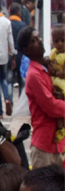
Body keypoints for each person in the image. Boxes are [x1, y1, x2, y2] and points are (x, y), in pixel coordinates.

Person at [18, 27, 65, 168]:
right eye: (34, 40)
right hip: (44, 147)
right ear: (26, 50)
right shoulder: (34, 75)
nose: (40, 41)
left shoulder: (46, 68)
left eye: (39, 37)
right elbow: (51, 106)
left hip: (57, 143)